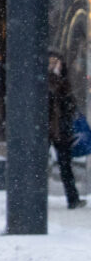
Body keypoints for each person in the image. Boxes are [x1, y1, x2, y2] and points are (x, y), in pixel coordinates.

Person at [50, 53, 83, 210]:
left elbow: (69, 104)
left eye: (57, 62)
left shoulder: (63, 82)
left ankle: (73, 198)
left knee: (65, 165)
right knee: (62, 164)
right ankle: (72, 198)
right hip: (50, 128)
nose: (56, 65)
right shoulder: (45, 81)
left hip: (60, 129)